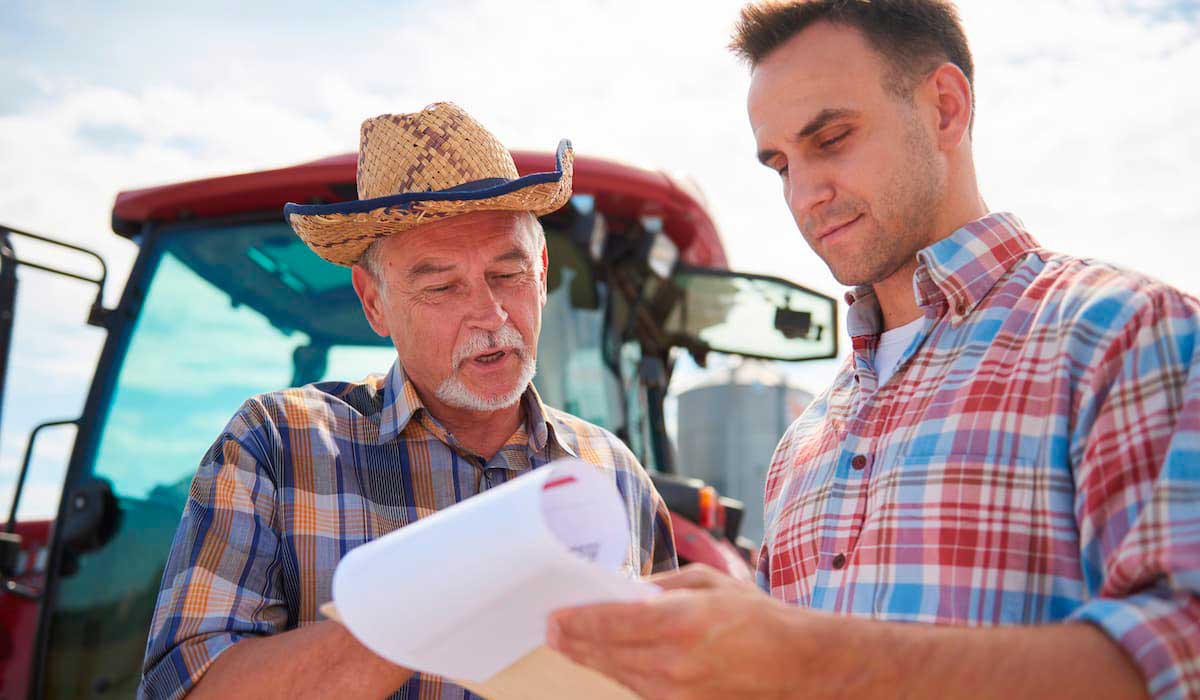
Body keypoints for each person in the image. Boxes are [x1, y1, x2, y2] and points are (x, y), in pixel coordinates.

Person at [547, 2, 1200, 698]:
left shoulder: (1125, 334)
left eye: (830, 139)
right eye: (779, 165)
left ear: (945, 108)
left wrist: (812, 658)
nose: (804, 195)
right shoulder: (803, 446)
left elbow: (1183, 652)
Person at [140, 102, 677, 700]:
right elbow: (187, 690)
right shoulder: (276, 444)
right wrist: (468, 586)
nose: (492, 316)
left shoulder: (617, 474)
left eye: (508, 274)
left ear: (543, 270)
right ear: (373, 303)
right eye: (443, 286)